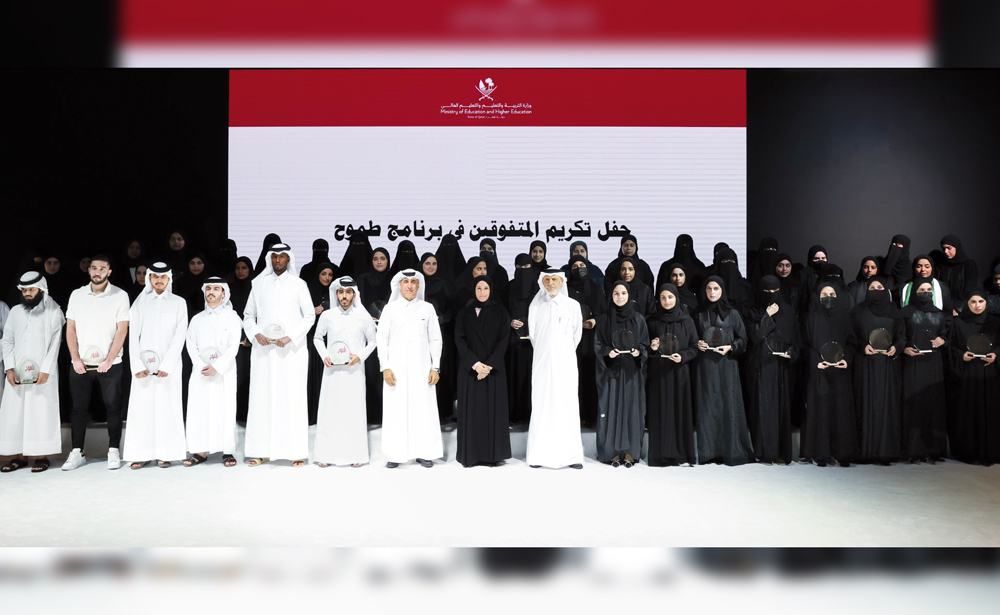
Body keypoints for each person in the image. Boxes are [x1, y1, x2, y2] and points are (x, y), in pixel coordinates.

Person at [242, 243, 314, 467]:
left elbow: (309, 316)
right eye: (274, 257)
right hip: (264, 351)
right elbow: (248, 315)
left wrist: (290, 336)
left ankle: (295, 452)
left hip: (291, 352)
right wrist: (255, 334)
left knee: (291, 399)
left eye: (282, 257)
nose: (278, 261)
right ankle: (259, 451)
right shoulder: (258, 283)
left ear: (289, 259)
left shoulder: (299, 284)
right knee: (262, 399)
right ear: (269, 259)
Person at [62, 255, 130, 471]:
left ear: (109, 271)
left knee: (113, 407)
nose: (97, 272)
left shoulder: (120, 295)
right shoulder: (77, 295)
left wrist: (110, 359)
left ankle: (113, 450)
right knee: (78, 408)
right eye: (94, 268)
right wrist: (74, 358)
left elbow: (122, 329)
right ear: (88, 270)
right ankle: (77, 451)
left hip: (110, 363)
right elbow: (70, 328)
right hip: (81, 363)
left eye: (102, 268)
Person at [122, 262, 189, 469]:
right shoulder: (140, 303)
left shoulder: (179, 303)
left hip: (169, 368)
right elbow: (132, 336)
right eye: (155, 277)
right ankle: (141, 454)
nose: (159, 281)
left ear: (169, 279)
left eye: (163, 277)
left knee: (168, 408)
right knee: (141, 409)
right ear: (149, 279)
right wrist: (136, 365)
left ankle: (165, 453)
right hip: (143, 367)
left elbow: (180, 336)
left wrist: (167, 364)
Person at [376, 269, 444, 468]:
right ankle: (394, 454)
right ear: (399, 285)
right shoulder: (390, 309)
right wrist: (385, 367)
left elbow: (435, 339)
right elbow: (382, 339)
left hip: (422, 370)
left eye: (413, 282)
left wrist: (436, 367)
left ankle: (425, 452)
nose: (409, 285)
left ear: (418, 285)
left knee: (423, 410)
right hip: (395, 371)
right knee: (395, 411)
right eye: (405, 281)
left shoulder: (428, 308)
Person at [0, 273, 65, 473]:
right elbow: (7, 340)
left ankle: (42, 456)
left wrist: (46, 370)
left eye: (32, 290)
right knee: (17, 413)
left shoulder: (53, 311)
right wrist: (9, 368)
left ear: (41, 289)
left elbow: (55, 343)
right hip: (17, 373)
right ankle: (20, 457)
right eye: (25, 290)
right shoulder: (16, 312)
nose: (28, 294)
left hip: (43, 375)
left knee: (40, 412)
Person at [312, 276, 377, 467]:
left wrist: (360, 356)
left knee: (354, 410)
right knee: (329, 410)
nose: (344, 296)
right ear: (336, 294)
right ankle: (325, 454)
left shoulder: (363, 316)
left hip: (354, 370)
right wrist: (324, 355)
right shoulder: (327, 316)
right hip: (332, 371)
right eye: (341, 292)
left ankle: (355, 455)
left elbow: (373, 341)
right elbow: (317, 338)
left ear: (354, 294)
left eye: (348, 292)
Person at [526, 269, 585, 469]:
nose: (550, 283)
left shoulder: (572, 305)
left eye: (554, 279)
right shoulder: (536, 306)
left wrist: (561, 352)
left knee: (566, 405)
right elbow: (534, 335)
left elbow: (576, 335)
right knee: (542, 404)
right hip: (542, 362)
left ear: (562, 281)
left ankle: (571, 457)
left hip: (565, 363)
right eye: (547, 280)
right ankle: (538, 456)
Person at [692, 276, 753, 466]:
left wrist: (731, 347)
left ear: (722, 290)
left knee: (728, 405)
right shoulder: (698, 313)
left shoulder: (732, 313)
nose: (711, 292)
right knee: (708, 407)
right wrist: (697, 343)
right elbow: (692, 337)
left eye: (716, 289)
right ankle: (709, 452)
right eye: (709, 288)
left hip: (727, 366)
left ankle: (731, 451)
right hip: (706, 367)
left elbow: (743, 339)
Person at [183, 276, 242, 468]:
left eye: (216, 289)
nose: (211, 292)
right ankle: (199, 452)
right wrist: (201, 365)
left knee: (224, 409)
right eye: (208, 288)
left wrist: (218, 366)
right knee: (198, 410)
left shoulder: (233, 318)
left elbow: (234, 346)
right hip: (201, 373)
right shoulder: (196, 319)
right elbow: (191, 345)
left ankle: (227, 451)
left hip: (223, 373)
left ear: (223, 293)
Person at [454, 276, 511, 467]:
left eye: (486, 288)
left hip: (493, 371)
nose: (482, 292)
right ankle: (471, 455)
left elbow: (504, 340)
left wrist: (488, 366)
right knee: (472, 414)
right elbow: (459, 340)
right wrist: (476, 364)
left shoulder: (501, 312)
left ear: (491, 290)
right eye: (478, 288)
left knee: (492, 413)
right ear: (473, 290)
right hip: (471, 371)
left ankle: (493, 456)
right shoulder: (464, 313)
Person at [800, 284, 858, 467]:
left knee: (841, 412)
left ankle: (843, 453)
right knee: (821, 412)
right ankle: (821, 454)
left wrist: (846, 359)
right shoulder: (809, 317)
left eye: (832, 294)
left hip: (840, 373)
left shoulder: (845, 317)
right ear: (818, 296)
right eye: (824, 294)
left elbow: (851, 343)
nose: (828, 297)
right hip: (819, 373)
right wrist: (816, 360)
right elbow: (803, 345)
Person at [744, 276, 799, 465]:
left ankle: (781, 453)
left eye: (774, 292)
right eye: (766, 292)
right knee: (762, 407)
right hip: (760, 366)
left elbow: (796, 340)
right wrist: (766, 316)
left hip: (781, 368)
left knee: (781, 408)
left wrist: (791, 353)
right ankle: (763, 452)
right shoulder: (753, 312)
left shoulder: (789, 312)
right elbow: (755, 337)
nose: (770, 296)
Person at [594, 280, 649, 467]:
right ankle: (612, 453)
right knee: (610, 409)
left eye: (623, 293)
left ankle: (630, 452)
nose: (619, 297)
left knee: (632, 410)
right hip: (611, 374)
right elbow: (598, 344)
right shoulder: (604, 319)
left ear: (629, 295)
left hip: (631, 373)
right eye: (616, 293)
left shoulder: (638, 319)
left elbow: (644, 343)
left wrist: (639, 352)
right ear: (611, 296)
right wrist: (607, 352)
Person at [850, 276, 904, 465]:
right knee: (865, 404)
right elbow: (851, 336)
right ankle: (865, 452)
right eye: (871, 287)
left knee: (886, 405)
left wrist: (896, 347)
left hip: (888, 366)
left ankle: (885, 452)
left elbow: (902, 335)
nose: (875, 290)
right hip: (866, 365)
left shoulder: (894, 311)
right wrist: (862, 346)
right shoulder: (858, 311)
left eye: (879, 287)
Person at [645, 284, 698, 466]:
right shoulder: (652, 321)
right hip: (659, 374)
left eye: (670, 297)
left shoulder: (687, 321)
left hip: (680, 373)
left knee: (679, 411)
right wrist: (652, 348)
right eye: (663, 298)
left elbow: (694, 347)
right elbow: (647, 348)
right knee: (660, 411)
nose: (667, 301)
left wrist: (682, 356)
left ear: (676, 298)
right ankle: (660, 456)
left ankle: (681, 455)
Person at [947, 291, 1000, 465]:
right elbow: (950, 347)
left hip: (988, 374)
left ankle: (989, 452)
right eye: (973, 301)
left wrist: (995, 355)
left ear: (986, 303)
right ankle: (967, 452)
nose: (977, 305)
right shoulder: (959, 323)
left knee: (989, 411)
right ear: (967, 304)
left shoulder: (995, 323)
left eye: (981, 301)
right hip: (967, 375)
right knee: (968, 410)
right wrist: (962, 355)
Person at [900, 280, 950, 463]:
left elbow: (946, 335)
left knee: (933, 404)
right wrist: (904, 348)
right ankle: (912, 450)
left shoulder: (940, 314)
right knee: (913, 403)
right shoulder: (905, 312)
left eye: (929, 290)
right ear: (914, 292)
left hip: (933, 363)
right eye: (922, 290)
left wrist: (943, 340)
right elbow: (899, 334)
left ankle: (933, 450)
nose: (926, 292)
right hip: (913, 362)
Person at [566, 255, 605, 427]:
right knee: (574, 377)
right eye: (575, 265)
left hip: (592, 339)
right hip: (571, 340)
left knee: (590, 376)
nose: (579, 268)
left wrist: (595, 321)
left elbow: (604, 312)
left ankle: (591, 415)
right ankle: (576, 416)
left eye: (582, 265)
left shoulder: (595, 288)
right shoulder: (565, 290)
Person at [421, 252, 456, 423]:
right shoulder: (417, 285)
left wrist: (440, 319)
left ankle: (442, 413)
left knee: (441, 370)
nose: (430, 266)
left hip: (442, 334)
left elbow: (451, 309)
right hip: (420, 335)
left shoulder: (444, 284)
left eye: (434, 263)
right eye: (427, 263)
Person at [359, 247, 393, 424]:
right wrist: (367, 317)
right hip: (369, 331)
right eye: (375, 259)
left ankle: (389, 415)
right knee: (372, 371)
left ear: (388, 260)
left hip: (391, 332)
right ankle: (372, 415)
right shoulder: (363, 279)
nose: (379, 262)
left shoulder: (395, 280)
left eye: (383, 258)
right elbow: (358, 303)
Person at [506, 254, 536, 425]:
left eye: (527, 268)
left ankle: (530, 414)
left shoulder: (537, 290)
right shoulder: (509, 287)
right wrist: (511, 320)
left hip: (533, 343)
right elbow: (502, 309)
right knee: (514, 376)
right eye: (520, 268)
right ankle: (514, 414)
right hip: (513, 343)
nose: (524, 272)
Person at [305, 262, 336, 425]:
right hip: (313, 340)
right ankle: (313, 414)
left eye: (330, 274)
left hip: (331, 339)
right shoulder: (309, 292)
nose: (327, 278)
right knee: (313, 375)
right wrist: (312, 310)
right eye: (323, 274)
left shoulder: (337, 293)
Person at [229, 256, 254, 423]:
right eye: (238, 268)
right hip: (233, 341)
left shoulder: (255, 288)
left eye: (244, 267)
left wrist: (251, 335)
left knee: (249, 377)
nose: (240, 271)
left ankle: (247, 415)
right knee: (235, 378)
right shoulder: (229, 289)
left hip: (252, 341)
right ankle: (235, 415)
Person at [938, 235, 978, 310]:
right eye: (944, 248)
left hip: (961, 308)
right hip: (944, 307)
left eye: (949, 248)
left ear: (956, 247)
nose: (946, 251)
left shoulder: (968, 264)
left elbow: (970, 288)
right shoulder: (942, 265)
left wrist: (959, 308)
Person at [478, 238, 510, 304]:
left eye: (489, 249)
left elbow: (505, 295)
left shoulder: (501, 272)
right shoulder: (475, 269)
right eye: (483, 249)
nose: (486, 251)